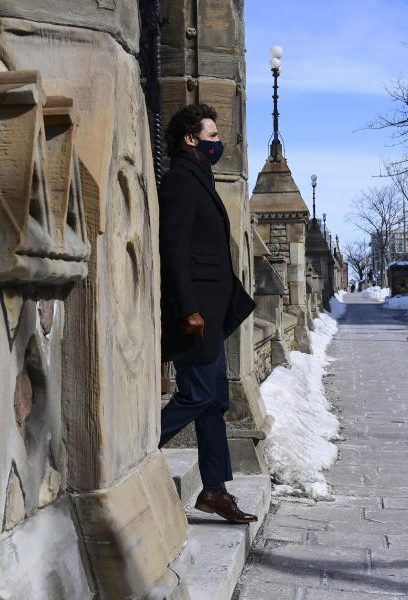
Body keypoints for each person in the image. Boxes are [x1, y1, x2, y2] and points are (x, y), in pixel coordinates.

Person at [158, 104, 257, 524]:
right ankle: (135, 447)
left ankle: (215, 491)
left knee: (213, 401)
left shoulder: (200, 177)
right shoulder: (181, 180)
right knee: (197, 395)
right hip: (196, 316)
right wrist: (188, 309)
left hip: (211, 315)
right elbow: (174, 250)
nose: (219, 142)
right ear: (191, 139)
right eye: (212, 135)